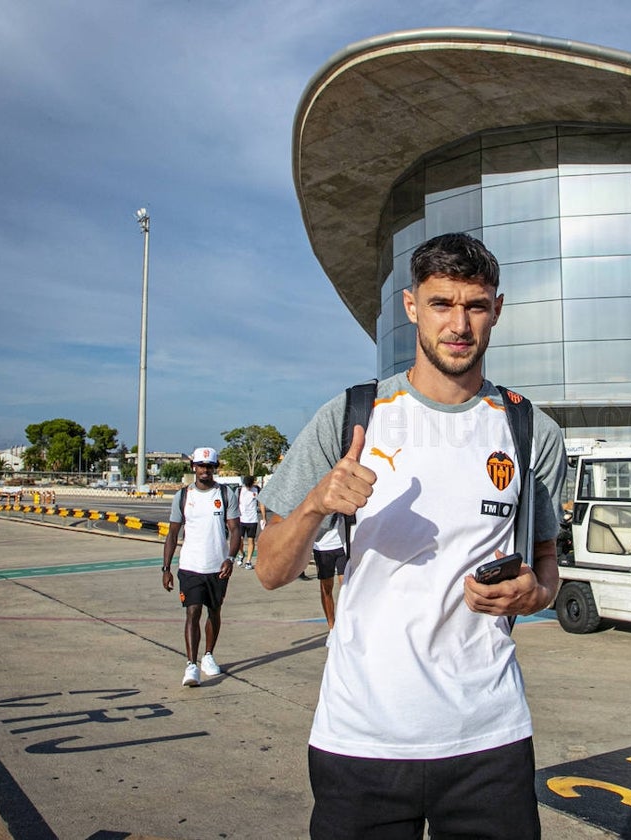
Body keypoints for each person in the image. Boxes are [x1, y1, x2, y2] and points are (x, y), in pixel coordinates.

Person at [256, 232, 566, 839]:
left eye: (475, 306)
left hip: (490, 740)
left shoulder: (531, 430)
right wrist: (317, 502)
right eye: (442, 304)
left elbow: (548, 565)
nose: (459, 324)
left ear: (496, 310)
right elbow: (269, 568)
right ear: (410, 306)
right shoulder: (354, 415)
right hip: (360, 739)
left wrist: (534, 594)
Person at [162, 446, 241, 687]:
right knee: (192, 611)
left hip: (218, 566)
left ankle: (208, 655)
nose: (205, 470)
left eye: (210, 466)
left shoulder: (226, 494)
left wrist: (231, 557)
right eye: (201, 465)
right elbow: (172, 533)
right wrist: (165, 568)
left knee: (214, 611)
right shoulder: (183, 496)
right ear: (193, 467)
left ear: (215, 468)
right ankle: (191, 665)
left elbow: (235, 529)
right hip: (190, 565)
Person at [311, 527, 347, 629]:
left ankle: (346, 623)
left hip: (342, 544)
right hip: (322, 547)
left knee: (346, 587)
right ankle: (332, 627)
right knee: (326, 588)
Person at [237, 475, 261, 568]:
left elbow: (261, 503)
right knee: (240, 540)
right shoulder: (239, 490)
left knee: (251, 540)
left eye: (249, 485)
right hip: (241, 519)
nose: (248, 487)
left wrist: (263, 517)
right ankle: (241, 554)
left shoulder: (257, 490)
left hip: (252, 519)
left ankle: (248, 561)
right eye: (247, 485)